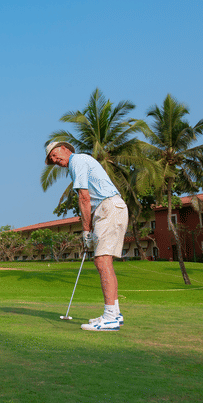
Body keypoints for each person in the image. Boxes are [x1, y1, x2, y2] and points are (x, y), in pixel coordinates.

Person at [45, 141, 127, 331]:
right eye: (52, 160)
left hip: (108, 208)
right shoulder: (79, 163)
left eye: (56, 155)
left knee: (102, 261)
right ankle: (114, 313)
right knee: (103, 261)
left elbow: (84, 197)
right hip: (108, 209)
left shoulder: (77, 161)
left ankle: (110, 318)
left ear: (65, 149)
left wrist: (86, 231)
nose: (55, 161)